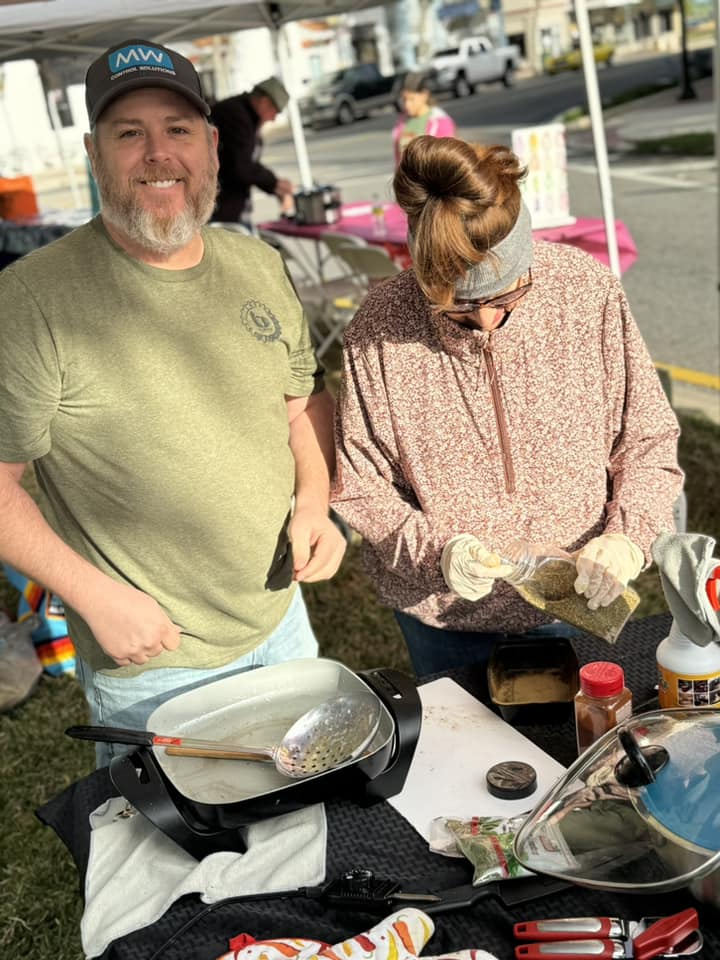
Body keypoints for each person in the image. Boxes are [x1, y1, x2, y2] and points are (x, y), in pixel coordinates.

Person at [0, 38, 346, 765]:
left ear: (213, 148)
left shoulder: (258, 264)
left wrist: (315, 503)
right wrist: (90, 595)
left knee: (309, 814)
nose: (159, 153)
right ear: (94, 155)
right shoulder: (31, 299)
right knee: (193, 837)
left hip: (281, 621)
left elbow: (301, 404)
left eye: (178, 129)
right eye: (130, 133)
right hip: (154, 663)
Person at [331, 135, 683, 677]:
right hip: (445, 619)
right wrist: (437, 554)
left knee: (589, 728)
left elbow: (647, 437)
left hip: (577, 601)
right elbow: (361, 485)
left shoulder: (583, 290)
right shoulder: (378, 328)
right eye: (458, 309)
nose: (486, 321)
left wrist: (627, 538)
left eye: (505, 297)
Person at [211, 76, 295, 228]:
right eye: (275, 112)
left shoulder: (246, 115)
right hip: (221, 207)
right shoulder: (236, 115)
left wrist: (274, 187)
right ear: (264, 102)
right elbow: (242, 166)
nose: (273, 119)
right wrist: (275, 183)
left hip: (232, 203)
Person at [391, 71, 456, 166]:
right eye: (404, 99)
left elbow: (448, 160)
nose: (407, 104)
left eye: (411, 99)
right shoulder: (402, 122)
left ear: (424, 95)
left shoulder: (440, 122)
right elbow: (398, 159)